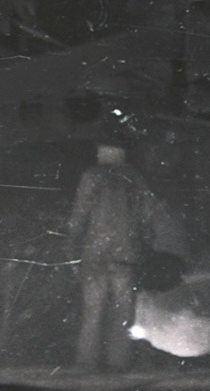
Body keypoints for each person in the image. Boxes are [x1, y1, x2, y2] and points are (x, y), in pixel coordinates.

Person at [67, 143, 158, 370]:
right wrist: (145, 246)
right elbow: (147, 217)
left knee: (92, 311)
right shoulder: (134, 178)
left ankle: (86, 363)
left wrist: (72, 246)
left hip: (94, 254)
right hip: (125, 254)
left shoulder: (91, 176)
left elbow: (79, 214)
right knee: (123, 313)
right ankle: (118, 362)